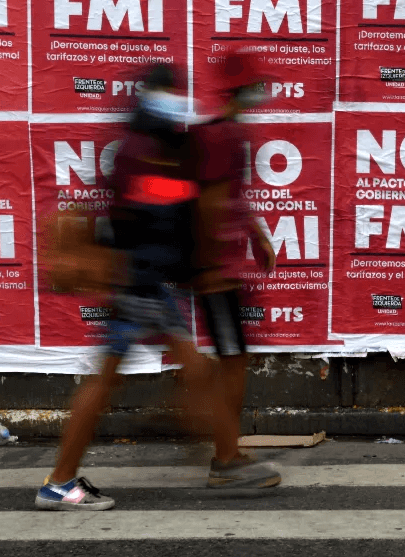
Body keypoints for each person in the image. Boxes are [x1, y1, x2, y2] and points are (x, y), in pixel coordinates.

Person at [35, 64, 275, 511]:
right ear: (152, 97)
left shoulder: (149, 143)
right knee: (187, 375)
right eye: (169, 92)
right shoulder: (142, 148)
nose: (176, 101)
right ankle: (227, 461)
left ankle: (62, 480)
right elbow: (153, 216)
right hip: (141, 283)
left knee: (112, 381)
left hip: (140, 281)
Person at [190, 46, 280, 488]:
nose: (260, 93)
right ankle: (224, 459)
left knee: (235, 359)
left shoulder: (228, 133)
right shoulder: (222, 135)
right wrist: (210, 266)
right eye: (254, 86)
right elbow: (210, 202)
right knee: (231, 361)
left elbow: (233, 197)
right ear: (239, 89)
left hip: (224, 267)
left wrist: (258, 236)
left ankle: (228, 446)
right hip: (217, 272)